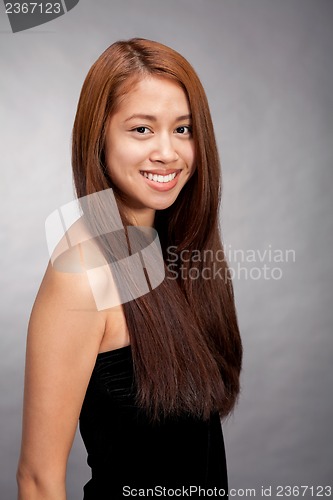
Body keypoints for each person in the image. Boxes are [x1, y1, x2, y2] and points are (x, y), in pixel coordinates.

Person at [17, 38, 242, 499]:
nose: (168, 153)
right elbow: (38, 481)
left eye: (183, 129)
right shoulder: (81, 274)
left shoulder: (171, 249)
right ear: (99, 137)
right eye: (142, 130)